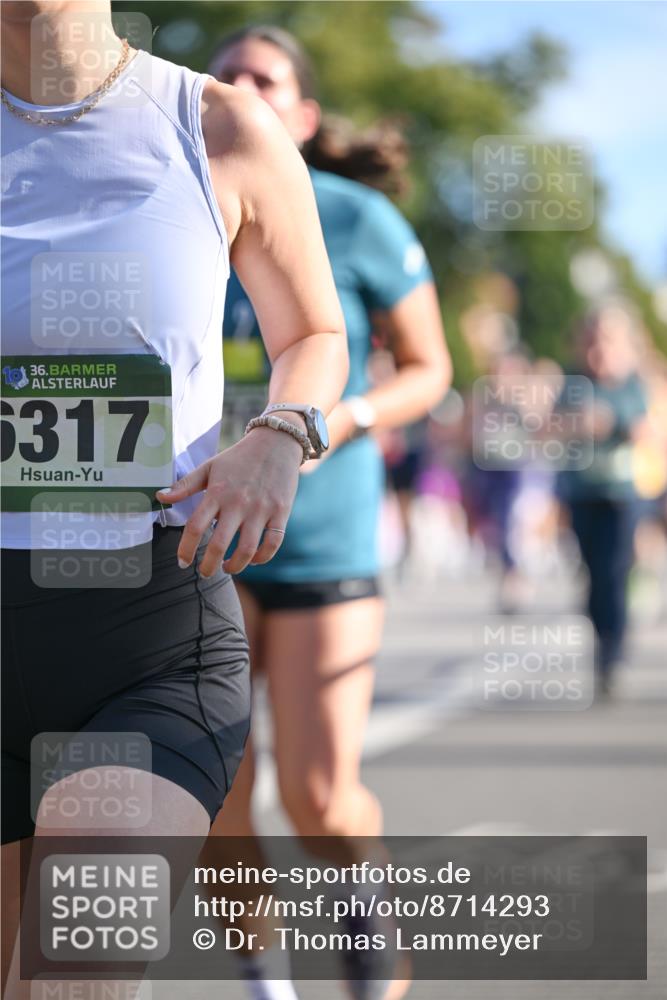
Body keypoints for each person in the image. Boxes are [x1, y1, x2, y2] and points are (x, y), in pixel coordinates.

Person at [0, 2, 348, 996]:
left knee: (78, 970)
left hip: (146, 633)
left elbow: (313, 334)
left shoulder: (221, 125)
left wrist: (279, 437)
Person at [206, 25, 452, 1000]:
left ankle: (369, 942)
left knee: (315, 793)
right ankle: (268, 983)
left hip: (320, 537)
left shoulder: (357, 221)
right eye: (221, 76)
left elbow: (431, 370)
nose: (236, 88)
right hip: (203, 543)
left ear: (303, 117)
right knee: (219, 800)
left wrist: (341, 415)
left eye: (261, 78)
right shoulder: (173, 208)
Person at [557, 302, 648, 695]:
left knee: (615, 571)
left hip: (620, 495)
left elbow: (642, 429)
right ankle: (601, 638)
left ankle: (614, 650)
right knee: (593, 573)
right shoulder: (574, 384)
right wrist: (575, 423)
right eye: (592, 343)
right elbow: (552, 427)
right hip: (581, 492)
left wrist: (611, 422)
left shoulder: (629, 385)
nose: (599, 353)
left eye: (606, 343)